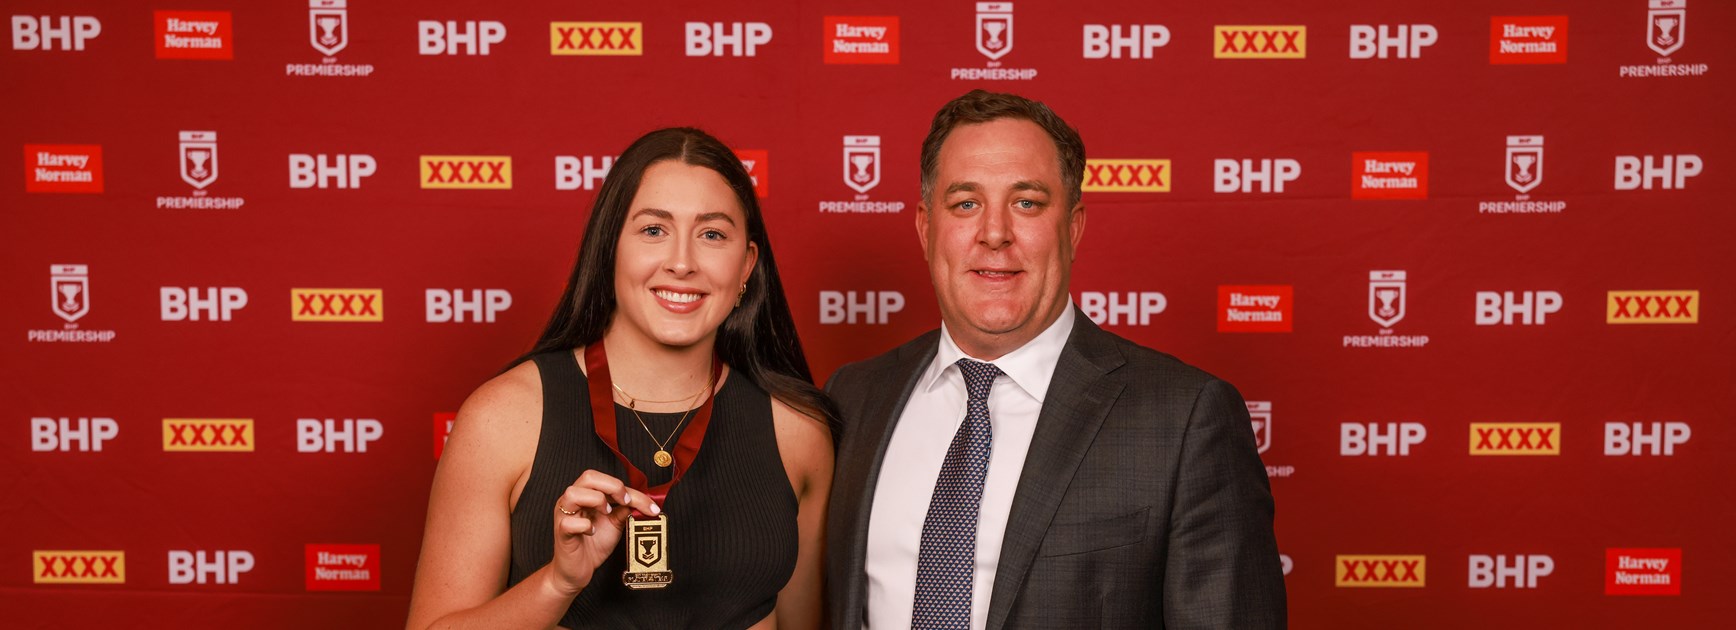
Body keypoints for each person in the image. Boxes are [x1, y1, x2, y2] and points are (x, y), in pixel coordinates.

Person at [825, 90, 1286, 629]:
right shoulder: (853, 398)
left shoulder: (1185, 418)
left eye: (1027, 203)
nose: (994, 234)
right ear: (927, 229)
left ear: (1072, 227)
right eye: (966, 203)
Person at [407, 127, 835, 630]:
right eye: (653, 230)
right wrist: (557, 584)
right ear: (610, 248)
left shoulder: (798, 431)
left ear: (746, 265)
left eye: (712, 235)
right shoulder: (503, 417)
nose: (682, 263)